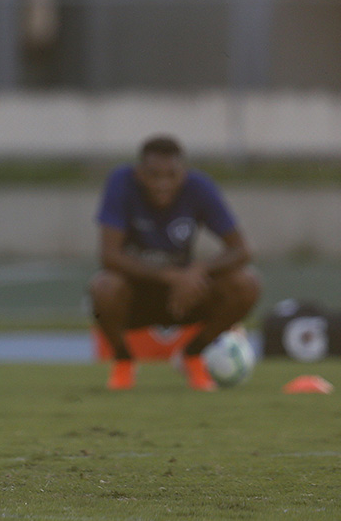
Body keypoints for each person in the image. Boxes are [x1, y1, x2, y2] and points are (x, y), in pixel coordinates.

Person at [88, 135, 260, 391]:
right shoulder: (121, 182)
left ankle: (193, 355)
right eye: (154, 175)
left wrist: (196, 271)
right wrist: (170, 276)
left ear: (183, 174)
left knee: (247, 283)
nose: (162, 184)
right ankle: (124, 362)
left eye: (171, 175)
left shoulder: (199, 187)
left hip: (185, 297)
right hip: (137, 295)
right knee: (103, 287)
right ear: (139, 174)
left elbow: (241, 250)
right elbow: (109, 256)